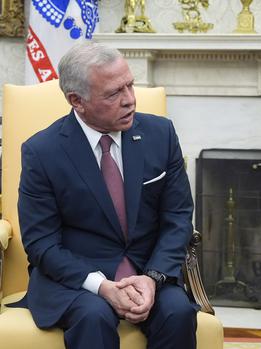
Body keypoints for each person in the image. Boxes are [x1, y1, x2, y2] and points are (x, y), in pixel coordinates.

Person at [16, 42, 197, 349]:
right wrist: (101, 286)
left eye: (130, 85)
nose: (130, 100)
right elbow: (41, 243)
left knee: (177, 312)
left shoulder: (161, 134)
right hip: (78, 280)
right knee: (93, 317)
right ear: (77, 101)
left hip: (147, 269)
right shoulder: (42, 152)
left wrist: (152, 278)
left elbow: (178, 217)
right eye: (114, 93)